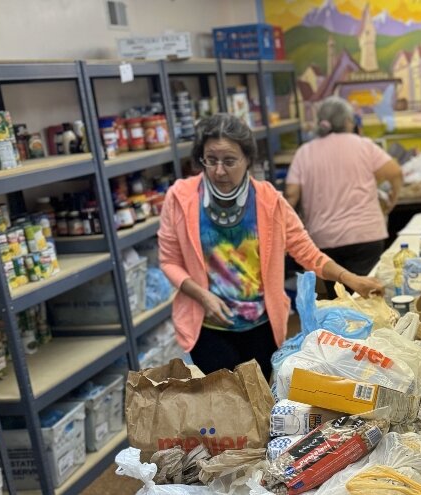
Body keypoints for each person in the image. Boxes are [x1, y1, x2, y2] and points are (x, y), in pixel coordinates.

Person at [158, 114, 384, 378]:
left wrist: (351, 279)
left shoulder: (269, 201)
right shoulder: (180, 198)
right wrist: (202, 296)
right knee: (227, 405)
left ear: (248, 160)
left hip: (261, 327)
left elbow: (306, 252)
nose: (219, 170)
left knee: (263, 401)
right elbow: (168, 260)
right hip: (208, 329)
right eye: (210, 160)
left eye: (229, 161)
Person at [284, 96, 402, 297]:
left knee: (340, 302)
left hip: (324, 240)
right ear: (348, 121)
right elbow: (395, 172)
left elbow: (291, 195)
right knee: (370, 297)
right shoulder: (364, 145)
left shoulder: (304, 152)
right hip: (365, 235)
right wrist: (392, 199)